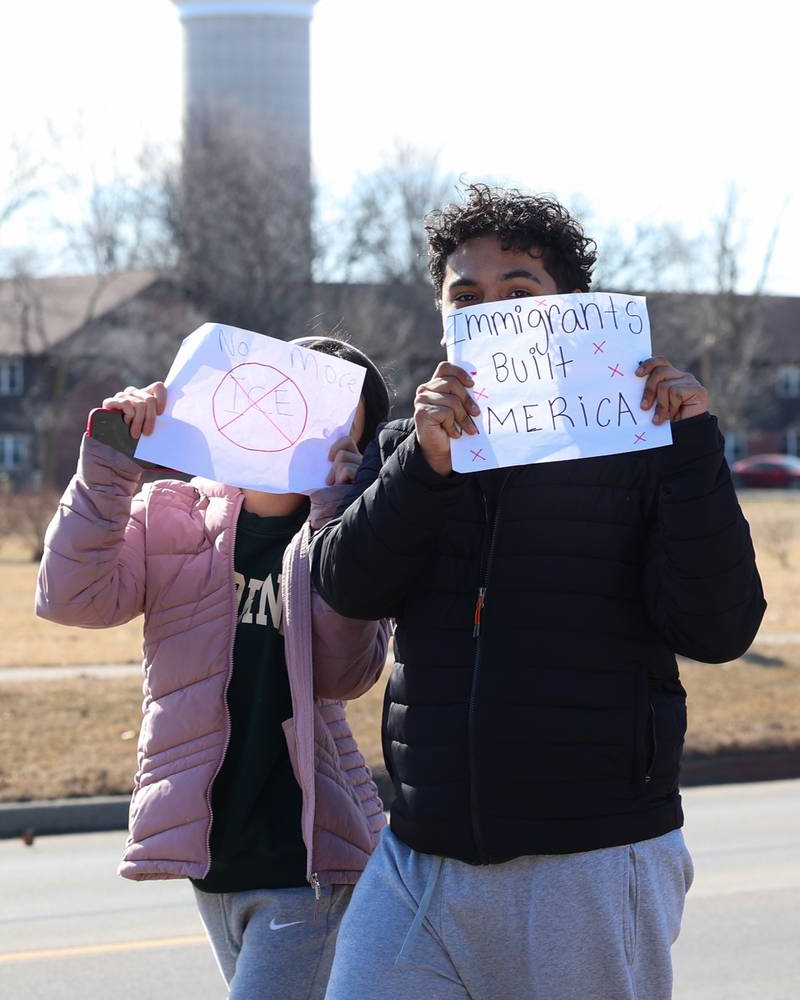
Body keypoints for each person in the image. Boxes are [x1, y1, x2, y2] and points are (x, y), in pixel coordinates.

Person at [311, 186, 766, 1000]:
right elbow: (346, 584)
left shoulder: (642, 443)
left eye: (519, 292)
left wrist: (693, 448)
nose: (492, 312)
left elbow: (719, 626)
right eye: (467, 297)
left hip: (588, 861)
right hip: (418, 857)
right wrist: (425, 466)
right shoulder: (408, 448)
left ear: (572, 309)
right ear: (443, 316)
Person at [35, 335, 392, 1000]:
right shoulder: (172, 518)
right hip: (213, 859)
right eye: (296, 392)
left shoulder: (356, 541)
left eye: (338, 412)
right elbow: (70, 598)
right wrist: (113, 457)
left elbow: (347, 673)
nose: (306, 419)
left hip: (308, 862)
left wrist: (337, 516)